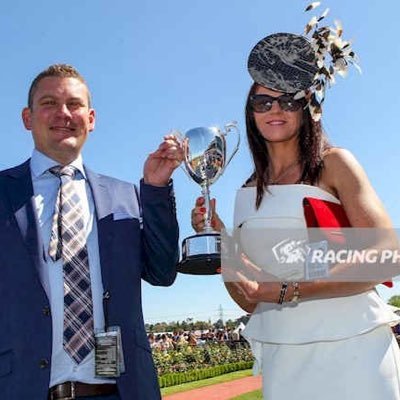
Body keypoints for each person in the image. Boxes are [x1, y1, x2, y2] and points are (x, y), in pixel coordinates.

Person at [191, 8, 400, 400]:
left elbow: (388, 255)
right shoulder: (243, 194)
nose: (275, 109)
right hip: (283, 359)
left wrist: (289, 289)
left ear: (307, 106)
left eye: (288, 100)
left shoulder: (335, 164)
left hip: (355, 348)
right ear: (250, 110)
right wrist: (219, 237)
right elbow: (250, 297)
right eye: (263, 101)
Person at [0, 64, 183, 400]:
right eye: (49, 103)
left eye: (74, 104)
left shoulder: (125, 196)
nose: (63, 113)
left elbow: (162, 272)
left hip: (119, 390)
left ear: (92, 118)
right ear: (28, 118)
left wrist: (155, 189)